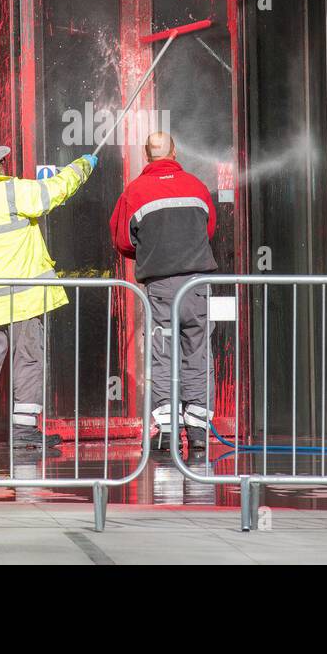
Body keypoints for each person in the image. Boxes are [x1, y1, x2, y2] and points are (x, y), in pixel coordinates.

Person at [0, 144, 97, 450]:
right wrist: (82, 167)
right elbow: (54, 191)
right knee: (28, 360)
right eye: (1, 162)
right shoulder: (11, 192)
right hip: (24, 296)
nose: (5, 164)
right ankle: (24, 431)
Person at [109, 132, 217, 451]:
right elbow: (208, 229)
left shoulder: (135, 191)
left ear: (147, 154)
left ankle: (169, 432)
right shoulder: (197, 186)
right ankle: (198, 433)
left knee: (163, 355)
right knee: (198, 352)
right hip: (197, 284)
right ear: (174, 151)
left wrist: (149, 251)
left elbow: (122, 239)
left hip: (161, 285)